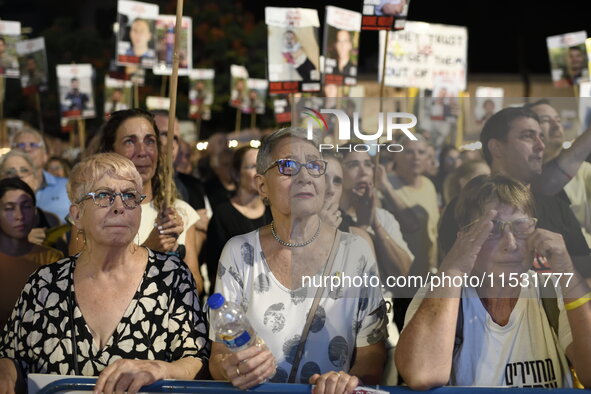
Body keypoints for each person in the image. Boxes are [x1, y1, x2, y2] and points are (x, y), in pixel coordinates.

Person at [0, 153, 210, 393]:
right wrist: (6, 369)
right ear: (77, 215)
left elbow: (198, 361)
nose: (119, 207)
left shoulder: (170, 277)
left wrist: (160, 369)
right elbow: (12, 355)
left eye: (130, 196)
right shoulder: (45, 283)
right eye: (104, 196)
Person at [209, 127, 387, 392]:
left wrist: (345, 381)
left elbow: (372, 355)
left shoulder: (355, 252)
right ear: (262, 186)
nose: (304, 176)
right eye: (288, 166)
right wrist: (232, 368)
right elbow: (218, 356)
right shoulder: (239, 252)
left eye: (315, 165)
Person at [396, 174, 591, 388]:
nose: (511, 244)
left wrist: (567, 271)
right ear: (466, 237)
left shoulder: (552, 290)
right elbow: (422, 375)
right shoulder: (440, 295)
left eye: (521, 228)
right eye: (494, 230)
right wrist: (452, 270)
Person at [438, 107, 591, 278]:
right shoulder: (468, 205)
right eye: (527, 136)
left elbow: (585, 277)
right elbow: (450, 279)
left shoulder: (557, 206)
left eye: (541, 136)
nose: (540, 145)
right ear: (496, 147)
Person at [69, 109, 203, 294]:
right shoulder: (93, 210)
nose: (142, 152)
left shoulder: (180, 211)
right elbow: (79, 279)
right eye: (130, 141)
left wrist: (174, 260)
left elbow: (196, 284)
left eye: (150, 141)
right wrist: (149, 250)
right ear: (110, 150)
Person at [202, 146, 272, 293]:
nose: (259, 172)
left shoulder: (274, 211)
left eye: (262, 166)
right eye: (253, 166)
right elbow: (215, 269)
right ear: (237, 174)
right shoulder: (223, 214)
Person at [526, 99, 591, 245]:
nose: (556, 126)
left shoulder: (584, 171)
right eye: (545, 120)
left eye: (558, 120)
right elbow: (546, 184)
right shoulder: (523, 174)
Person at [0, 177, 62, 329]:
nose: (19, 216)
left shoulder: (52, 258)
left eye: (26, 206)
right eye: (9, 208)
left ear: (35, 211)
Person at [0, 150, 65, 251]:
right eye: (10, 172)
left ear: (35, 181)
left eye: (24, 170)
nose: (18, 175)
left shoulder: (51, 219)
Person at [11, 129, 70, 223]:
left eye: (33, 145)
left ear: (45, 156)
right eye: (20, 145)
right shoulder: (4, 189)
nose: (27, 149)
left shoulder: (67, 186)